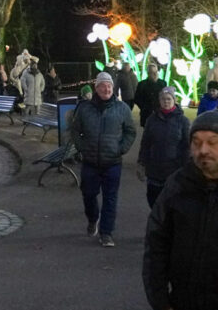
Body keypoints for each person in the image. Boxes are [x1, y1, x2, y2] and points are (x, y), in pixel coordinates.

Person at [142, 110, 218, 310]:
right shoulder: (177, 185)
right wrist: (160, 301)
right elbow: (156, 243)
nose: (203, 150)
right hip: (183, 300)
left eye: (213, 142)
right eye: (196, 142)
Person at [68, 71, 137, 248]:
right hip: (90, 162)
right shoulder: (85, 109)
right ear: (96, 88)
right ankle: (92, 219)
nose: (106, 88)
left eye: (109, 86)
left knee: (110, 198)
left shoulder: (122, 109)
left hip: (112, 162)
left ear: (112, 88)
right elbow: (75, 130)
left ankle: (106, 233)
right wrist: (82, 147)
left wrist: (121, 149)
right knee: (88, 194)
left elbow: (130, 131)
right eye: (103, 85)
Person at [137, 87, 190, 208]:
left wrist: (187, 168)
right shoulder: (151, 120)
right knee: (154, 203)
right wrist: (141, 163)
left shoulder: (183, 121)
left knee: (172, 206)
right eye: (163, 99)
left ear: (174, 100)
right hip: (154, 171)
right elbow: (145, 143)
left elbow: (187, 146)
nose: (166, 101)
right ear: (159, 101)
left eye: (169, 99)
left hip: (174, 171)